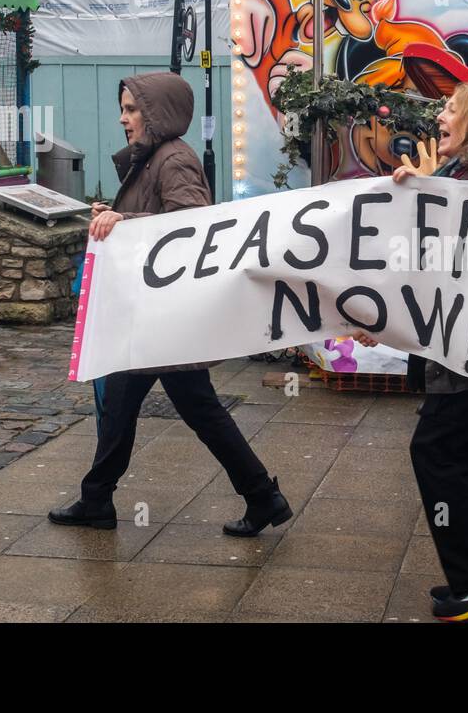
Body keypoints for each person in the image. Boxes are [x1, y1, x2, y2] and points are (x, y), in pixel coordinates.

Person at [48, 71, 291, 537]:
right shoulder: (155, 156)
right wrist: (114, 217)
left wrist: (126, 221)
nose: (123, 118)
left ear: (156, 112)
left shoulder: (173, 159)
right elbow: (156, 217)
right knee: (147, 405)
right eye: (122, 109)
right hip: (155, 315)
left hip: (164, 318)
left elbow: (191, 224)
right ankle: (99, 497)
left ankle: (260, 495)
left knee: (187, 410)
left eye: (132, 109)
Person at [356, 82, 468, 622]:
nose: (440, 115)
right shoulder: (460, 174)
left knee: (435, 452)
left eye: (451, 108)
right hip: (462, 351)